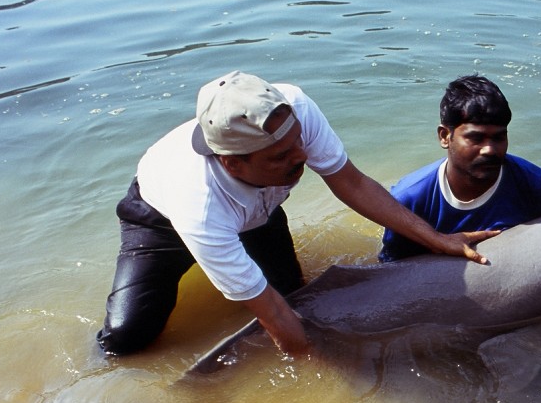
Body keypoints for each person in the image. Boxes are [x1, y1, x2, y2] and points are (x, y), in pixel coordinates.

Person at [97, 71, 498, 356]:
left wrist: (438, 239)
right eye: (282, 156)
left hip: (259, 208)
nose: (302, 156)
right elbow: (272, 317)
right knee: (126, 338)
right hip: (160, 221)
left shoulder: (295, 109)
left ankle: (235, 260)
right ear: (233, 163)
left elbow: (352, 184)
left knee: (297, 298)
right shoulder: (198, 204)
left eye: (298, 141)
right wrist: (318, 376)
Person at [379, 74, 541, 301]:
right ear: (445, 136)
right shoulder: (409, 198)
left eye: (498, 137)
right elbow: (390, 278)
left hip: (515, 297)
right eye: (476, 138)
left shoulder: (530, 182)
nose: (490, 150)